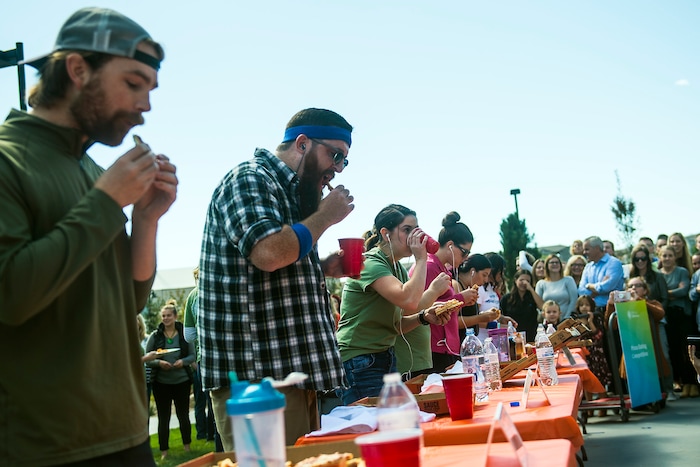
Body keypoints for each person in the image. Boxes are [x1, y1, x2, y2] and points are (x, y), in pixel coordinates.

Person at [0, 7, 174, 465]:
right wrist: (104, 202)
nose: (146, 105)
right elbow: (10, 293)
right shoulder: (8, 160)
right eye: (133, 84)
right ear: (78, 69)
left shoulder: (94, 170)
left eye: (150, 90)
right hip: (47, 449)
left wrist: (147, 220)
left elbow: (129, 300)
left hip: (126, 432)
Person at [198, 108, 357, 448]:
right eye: (335, 154)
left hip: (291, 373)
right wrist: (325, 216)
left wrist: (323, 267)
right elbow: (269, 252)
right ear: (302, 143)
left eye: (344, 160)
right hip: (258, 381)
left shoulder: (293, 193)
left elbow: (277, 265)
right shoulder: (250, 179)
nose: (338, 168)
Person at [337, 204, 454, 404]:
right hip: (360, 359)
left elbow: (399, 321)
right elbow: (409, 300)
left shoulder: (395, 267)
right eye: (407, 230)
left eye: (416, 229)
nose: (415, 236)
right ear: (386, 234)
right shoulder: (370, 263)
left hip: (383, 357)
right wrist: (421, 260)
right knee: (375, 425)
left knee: (388, 424)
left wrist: (423, 317)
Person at [395, 211, 477, 377]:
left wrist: (461, 300)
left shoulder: (440, 267)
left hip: (443, 346)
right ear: (450, 245)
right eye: (464, 252)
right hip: (435, 347)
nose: (466, 257)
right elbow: (421, 306)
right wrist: (461, 298)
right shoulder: (430, 266)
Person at [604, 277, 672, 399]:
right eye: (630, 286)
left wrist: (639, 301)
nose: (633, 288)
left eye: (638, 285)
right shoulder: (622, 307)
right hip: (631, 349)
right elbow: (610, 325)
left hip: (649, 349)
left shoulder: (652, 303)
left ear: (645, 290)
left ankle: (664, 392)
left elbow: (660, 313)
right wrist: (610, 304)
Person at [146, 301, 196, 460]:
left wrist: (183, 362)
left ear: (175, 316)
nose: (166, 318)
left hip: (181, 381)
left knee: (183, 415)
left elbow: (193, 355)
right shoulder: (155, 336)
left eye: (169, 315)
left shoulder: (183, 335)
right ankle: (164, 452)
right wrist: (159, 363)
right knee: (164, 417)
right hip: (161, 383)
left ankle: (187, 447)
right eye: (163, 316)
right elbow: (147, 359)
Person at [183, 266, 218, 446]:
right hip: (226, 355)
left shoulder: (193, 296)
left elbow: (188, 336)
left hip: (203, 359)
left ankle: (218, 449)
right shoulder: (221, 288)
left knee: (208, 402)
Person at [658, 246, 698, 397]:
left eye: (670, 255)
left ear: (675, 257)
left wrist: (667, 293)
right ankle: (681, 383)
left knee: (687, 350)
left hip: (683, 315)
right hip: (668, 316)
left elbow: (684, 290)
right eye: (664, 256)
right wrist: (672, 293)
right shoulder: (659, 274)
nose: (667, 258)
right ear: (660, 257)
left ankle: (692, 384)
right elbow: (667, 294)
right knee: (674, 351)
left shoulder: (681, 271)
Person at [454, 254, 504, 345]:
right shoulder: (456, 286)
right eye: (484, 275)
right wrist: (480, 318)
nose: (486, 280)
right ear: (473, 271)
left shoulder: (468, 288)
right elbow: (454, 321)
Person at [574, 295, 612, 397]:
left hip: (596, 353)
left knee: (599, 379)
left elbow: (598, 335)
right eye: (581, 305)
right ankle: (589, 405)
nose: (584, 307)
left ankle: (602, 405)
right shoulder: (576, 321)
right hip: (584, 354)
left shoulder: (596, 317)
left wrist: (590, 322)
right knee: (587, 380)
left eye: (587, 305)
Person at [578, 236, 625, 311]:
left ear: (596, 248)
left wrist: (589, 285)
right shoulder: (588, 266)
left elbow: (607, 286)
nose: (584, 252)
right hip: (592, 311)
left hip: (612, 310)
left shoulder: (613, 263)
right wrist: (598, 289)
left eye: (587, 249)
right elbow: (581, 291)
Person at [500, 269, 543, 342]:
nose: (524, 283)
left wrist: (531, 289)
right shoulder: (507, 298)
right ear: (516, 280)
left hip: (530, 335)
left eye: (527, 281)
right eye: (521, 280)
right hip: (513, 336)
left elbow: (542, 306)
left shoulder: (532, 297)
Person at [535, 254, 578, 319]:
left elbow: (574, 300)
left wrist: (567, 317)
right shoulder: (541, 284)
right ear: (547, 265)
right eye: (552, 262)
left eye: (557, 262)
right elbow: (539, 305)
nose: (555, 264)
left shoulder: (569, 280)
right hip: (548, 322)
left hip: (566, 319)